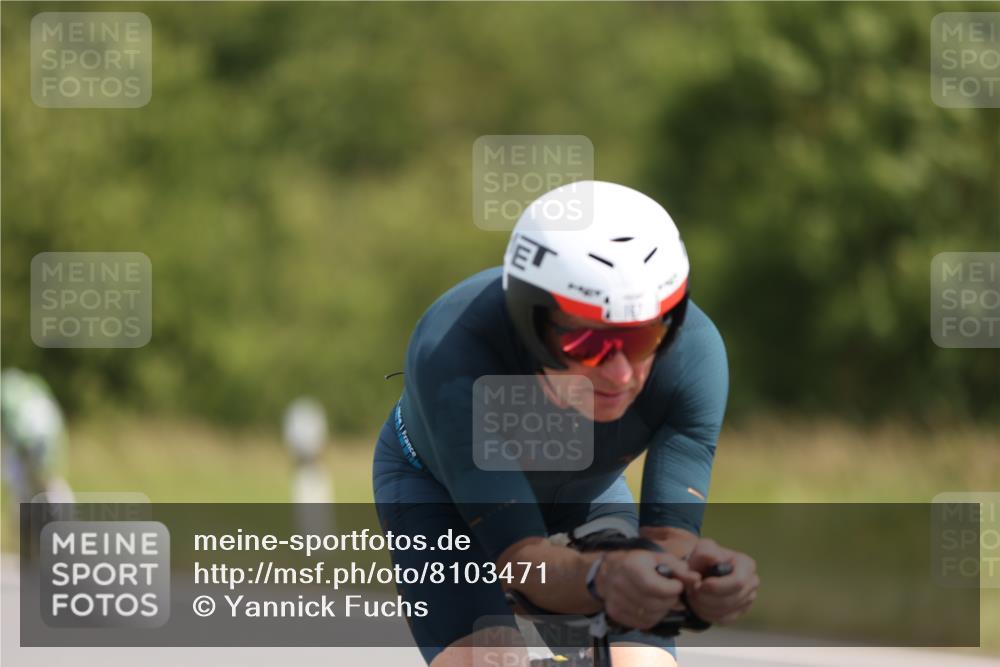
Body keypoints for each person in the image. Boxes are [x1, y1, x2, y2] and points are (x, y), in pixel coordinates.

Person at [373, 181, 758, 666]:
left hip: (585, 491)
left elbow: (669, 540)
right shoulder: (454, 351)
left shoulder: (694, 357)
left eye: (642, 339)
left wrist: (697, 585)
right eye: (589, 343)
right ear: (529, 321)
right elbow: (520, 562)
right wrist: (601, 577)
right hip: (439, 496)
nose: (621, 374)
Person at [1, 368, 74, 509]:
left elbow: (14, 432)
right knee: (47, 481)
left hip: (30, 442)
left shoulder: (8, 396)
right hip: (49, 437)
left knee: (31, 486)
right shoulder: (33, 389)